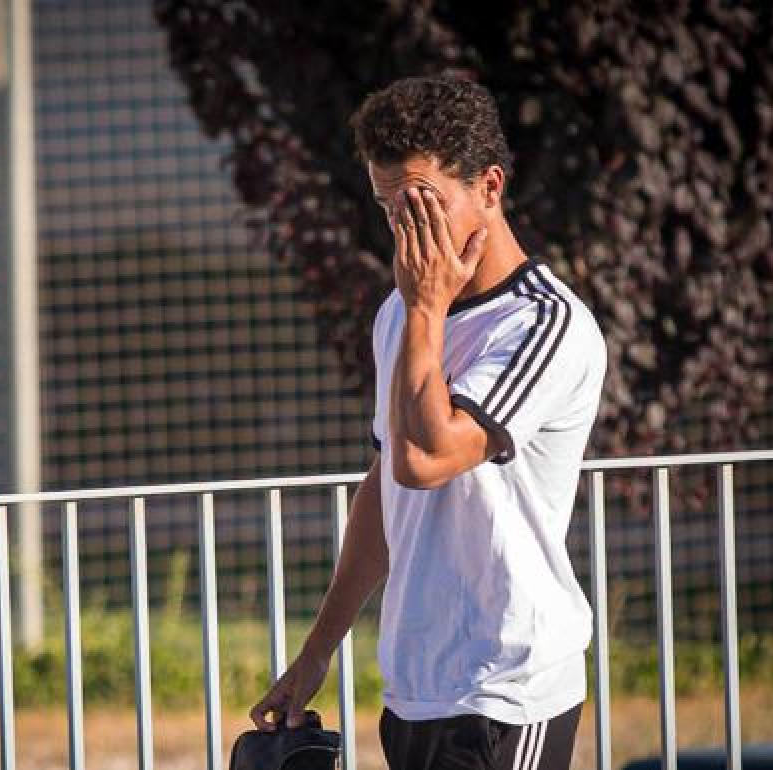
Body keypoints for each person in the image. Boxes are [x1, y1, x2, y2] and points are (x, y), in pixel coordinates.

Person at [248, 76, 608, 770]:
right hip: (416, 688)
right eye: (390, 208)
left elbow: (426, 459)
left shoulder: (544, 324)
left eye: (422, 205)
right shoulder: (400, 314)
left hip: (507, 689)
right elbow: (388, 485)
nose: (405, 229)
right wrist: (317, 651)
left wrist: (425, 308)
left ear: (490, 188)